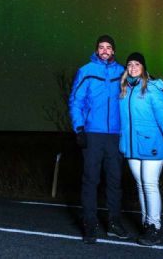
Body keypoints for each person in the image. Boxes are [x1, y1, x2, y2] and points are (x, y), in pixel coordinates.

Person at [69, 34, 130, 244]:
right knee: (90, 180)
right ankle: (90, 224)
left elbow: (140, 86)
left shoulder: (122, 72)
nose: (105, 50)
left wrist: (159, 86)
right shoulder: (86, 71)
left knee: (114, 180)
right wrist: (79, 129)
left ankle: (114, 223)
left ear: (113, 51)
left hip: (115, 135)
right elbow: (76, 101)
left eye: (108, 47)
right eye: (101, 47)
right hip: (92, 134)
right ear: (97, 50)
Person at [118, 52, 163, 246]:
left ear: (143, 67)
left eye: (137, 64)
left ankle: (154, 226)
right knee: (140, 185)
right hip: (131, 146)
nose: (133, 67)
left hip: (152, 144)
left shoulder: (152, 89)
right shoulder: (123, 89)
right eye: (130, 64)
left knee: (150, 184)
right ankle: (146, 224)